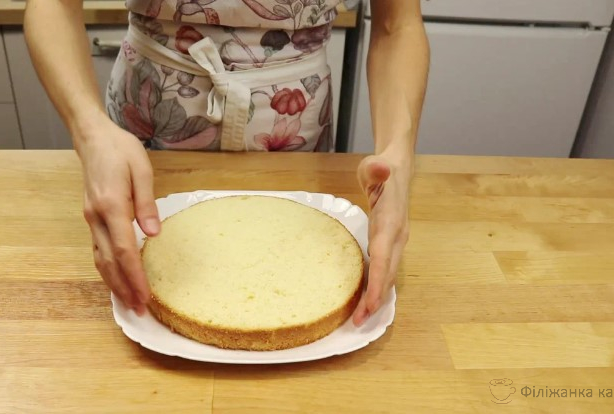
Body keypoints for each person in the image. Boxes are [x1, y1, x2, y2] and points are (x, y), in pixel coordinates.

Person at [24, 0, 429, 327]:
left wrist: (398, 152)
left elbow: (397, 25)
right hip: (148, 122)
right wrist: (90, 132)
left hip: (292, 126)